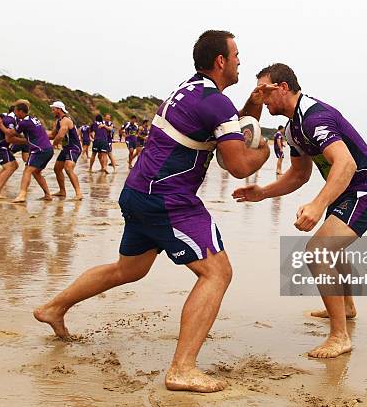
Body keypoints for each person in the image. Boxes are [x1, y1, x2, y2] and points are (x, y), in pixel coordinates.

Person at [33, 30, 273, 393]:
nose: (241, 60)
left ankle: (53, 308)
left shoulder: (192, 90)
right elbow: (237, 164)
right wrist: (265, 153)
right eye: (237, 55)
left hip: (138, 192)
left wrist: (252, 106)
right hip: (168, 198)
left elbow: (230, 125)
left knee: (129, 269)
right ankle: (182, 369)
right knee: (217, 273)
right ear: (220, 61)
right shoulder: (215, 103)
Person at [233, 63, 367, 359]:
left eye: (265, 91)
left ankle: (339, 336)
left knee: (317, 250)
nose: (261, 99)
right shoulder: (293, 129)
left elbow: (346, 164)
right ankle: (345, 306)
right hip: (346, 191)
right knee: (331, 249)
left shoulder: (315, 117)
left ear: (282, 87)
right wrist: (263, 192)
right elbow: (298, 175)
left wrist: (318, 205)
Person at [5, 102, 54, 203]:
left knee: (27, 171)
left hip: (39, 150)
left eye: (16, 112)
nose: (15, 115)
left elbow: (11, 133)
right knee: (36, 172)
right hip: (48, 149)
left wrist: (0, 125)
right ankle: (48, 195)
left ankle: (22, 195)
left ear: (21, 112)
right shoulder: (33, 119)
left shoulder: (24, 123)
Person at [49, 101, 83, 200]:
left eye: (54, 109)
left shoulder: (65, 120)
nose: (52, 111)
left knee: (68, 168)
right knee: (57, 169)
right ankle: (62, 191)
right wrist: (38, 136)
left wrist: (53, 145)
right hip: (66, 148)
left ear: (59, 109)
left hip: (74, 148)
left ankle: (78, 193)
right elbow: (52, 135)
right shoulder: (58, 121)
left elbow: (60, 135)